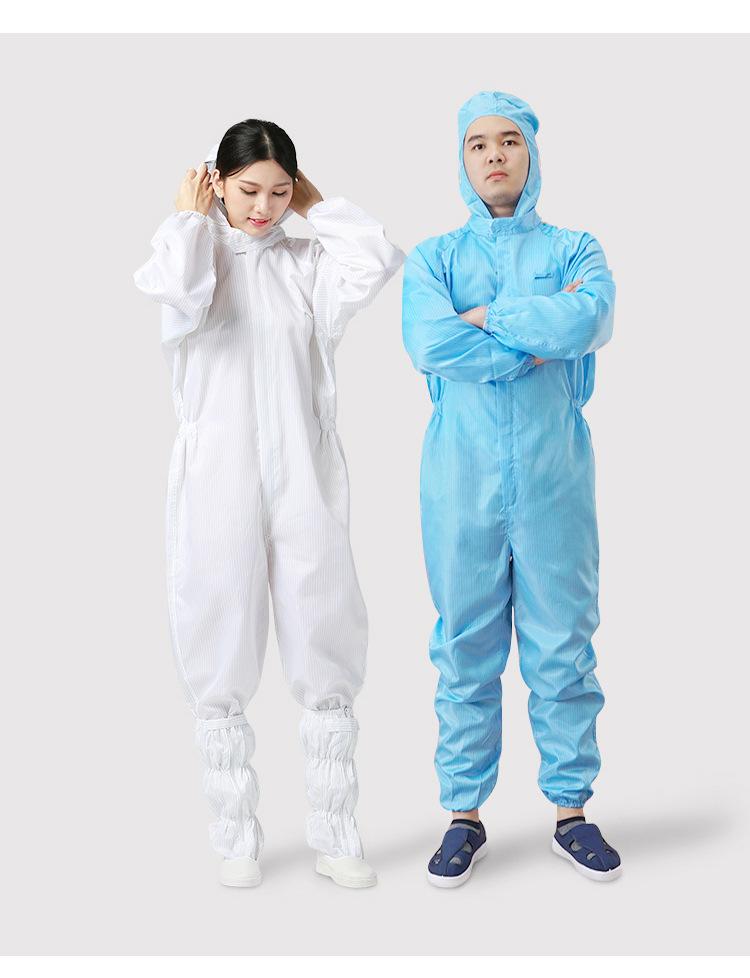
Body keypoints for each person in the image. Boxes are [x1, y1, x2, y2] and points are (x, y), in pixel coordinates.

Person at [134, 119, 404, 889]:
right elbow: (176, 288)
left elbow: (377, 258)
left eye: (280, 191)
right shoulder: (195, 253)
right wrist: (190, 217)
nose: (264, 208)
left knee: (323, 624)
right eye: (249, 190)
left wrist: (315, 207)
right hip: (217, 474)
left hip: (302, 468)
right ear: (217, 182)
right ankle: (235, 838)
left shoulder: (305, 260)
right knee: (218, 625)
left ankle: (337, 833)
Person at [402, 90, 622, 886]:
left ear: (532, 153)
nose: (494, 155)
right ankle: (463, 814)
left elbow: (589, 320)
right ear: (461, 162)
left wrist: (487, 317)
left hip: (555, 477)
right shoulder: (433, 259)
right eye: (478, 144)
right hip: (458, 482)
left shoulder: (576, 248)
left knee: (563, 645)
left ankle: (571, 811)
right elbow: (430, 343)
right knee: (464, 646)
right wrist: (532, 337)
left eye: (509, 141)